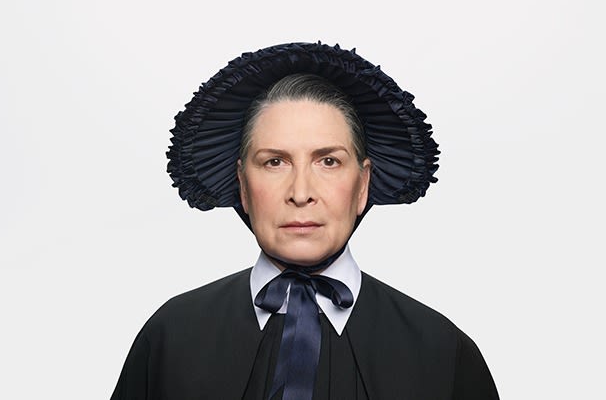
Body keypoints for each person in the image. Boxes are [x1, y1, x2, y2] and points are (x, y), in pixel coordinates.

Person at [111, 42, 499, 400]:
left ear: (362, 185)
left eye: (328, 161)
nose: (301, 192)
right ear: (243, 185)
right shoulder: (170, 338)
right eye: (274, 162)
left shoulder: (442, 352)